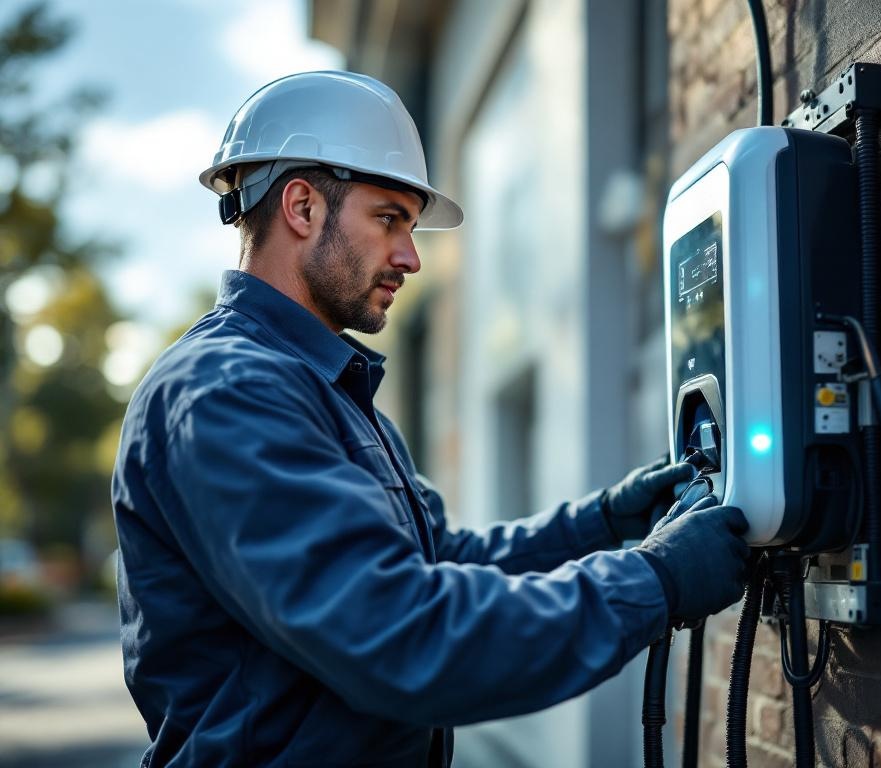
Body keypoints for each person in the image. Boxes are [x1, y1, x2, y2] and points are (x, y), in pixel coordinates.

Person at [111, 71, 750, 768]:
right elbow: (401, 635)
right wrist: (655, 582)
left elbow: (439, 562)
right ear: (301, 207)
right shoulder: (227, 391)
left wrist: (601, 524)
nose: (411, 257)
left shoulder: (323, 388)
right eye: (389, 219)